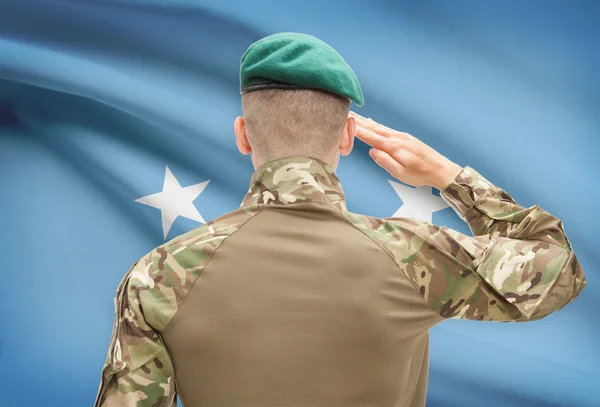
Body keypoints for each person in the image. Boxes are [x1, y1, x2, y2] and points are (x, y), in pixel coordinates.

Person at [94, 32, 587, 407]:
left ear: (243, 135)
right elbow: (558, 269)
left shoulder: (157, 275)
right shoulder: (416, 256)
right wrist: (449, 176)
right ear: (349, 136)